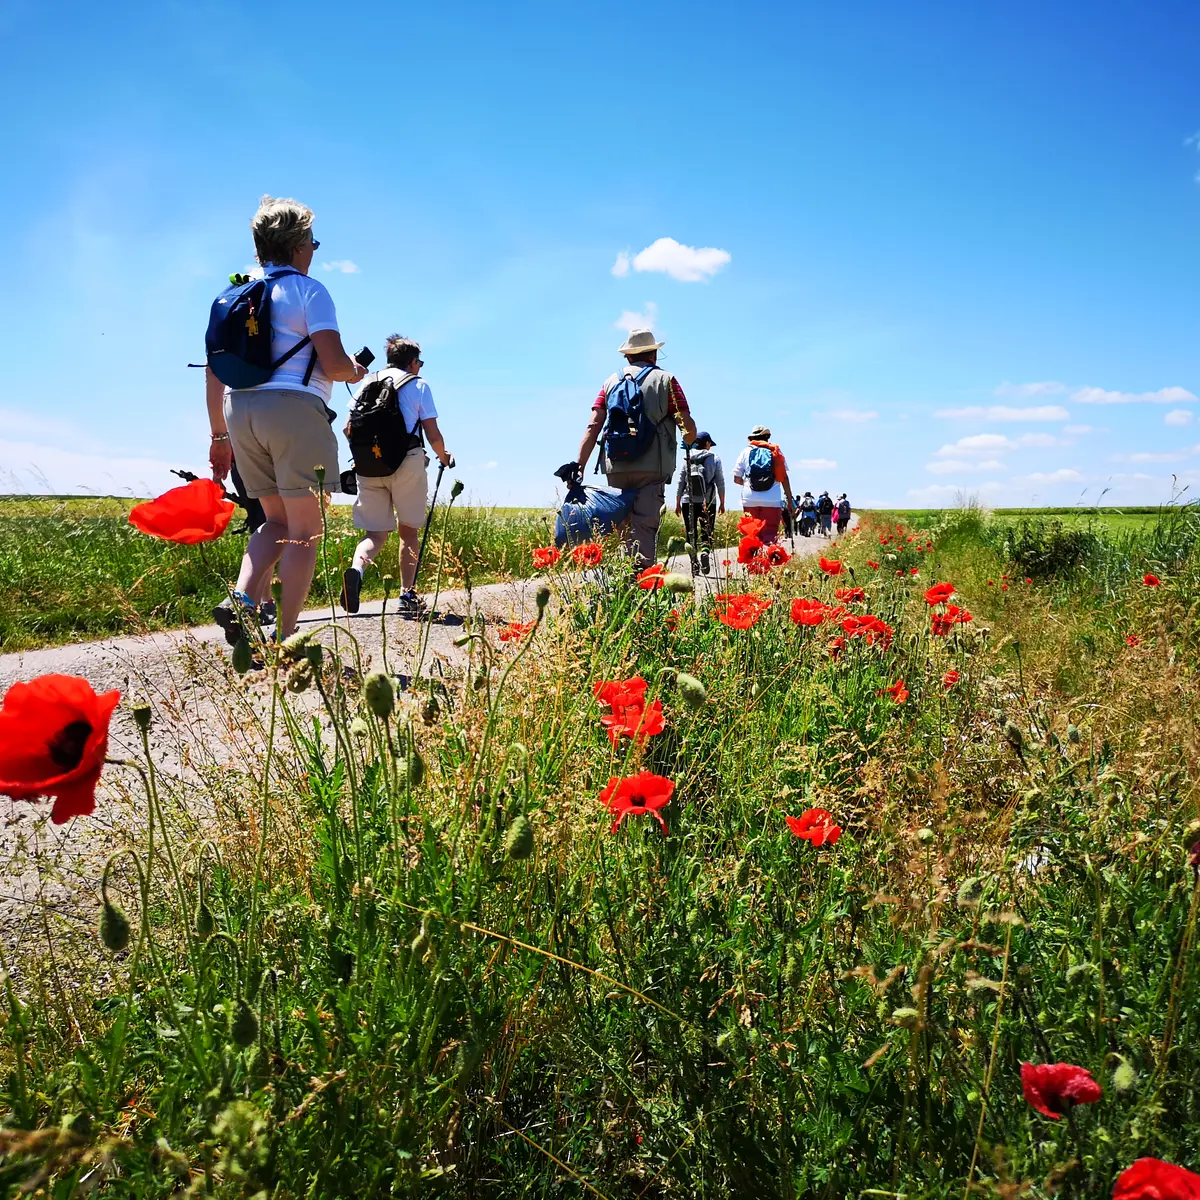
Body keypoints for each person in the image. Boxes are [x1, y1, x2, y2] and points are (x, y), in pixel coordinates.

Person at [207, 195, 368, 642]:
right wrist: (355, 369)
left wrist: (219, 435)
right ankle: (285, 636)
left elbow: (214, 370)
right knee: (304, 531)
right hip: (294, 409)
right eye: (313, 242)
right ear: (298, 244)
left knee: (273, 522)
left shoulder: (236, 292)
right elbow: (334, 365)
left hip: (239, 411)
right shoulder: (308, 291)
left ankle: (241, 599)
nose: (315, 250)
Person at [341, 336, 453, 617]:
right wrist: (444, 456)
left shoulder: (367, 383)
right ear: (413, 361)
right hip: (407, 462)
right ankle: (407, 595)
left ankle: (356, 570)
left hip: (368, 467)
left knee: (376, 534)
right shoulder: (419, 385)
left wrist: (372, 453)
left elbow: (347, 429)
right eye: (420, 362)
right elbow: (433, 433)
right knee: (408, 531)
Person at [572, 328, 696, 568]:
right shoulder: (666, 380)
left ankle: (622, 584)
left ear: (628, 356)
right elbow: (685, 421)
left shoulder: (610, 381)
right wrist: (689, 440)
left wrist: (579, 466)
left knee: (621, 527)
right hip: (653, 465)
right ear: (654, 354)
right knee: (644, 527)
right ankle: (642, 585)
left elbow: (593, 425)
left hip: (615, 463)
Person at [732, 426, 795, 544]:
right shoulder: (775, 451)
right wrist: (790, 502)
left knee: (752, 535)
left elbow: (736, 478)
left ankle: (754, 560)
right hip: (772, 499)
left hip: (749, 499)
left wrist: (748, 483)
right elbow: (784, 478)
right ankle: (767, 559)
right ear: (767, 437)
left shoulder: (745, 452)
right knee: (770, 537)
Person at [674, 431, 725, 574]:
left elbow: (681, 482)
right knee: (706, 532)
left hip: (687, 501)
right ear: (707, 443)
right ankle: (705, 553)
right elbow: (720, 481)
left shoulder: (687, 457)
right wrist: (722, 502)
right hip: (707, 501)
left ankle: (693, 562)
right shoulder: (714, 458)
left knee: (691, 533)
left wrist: (677, 502)